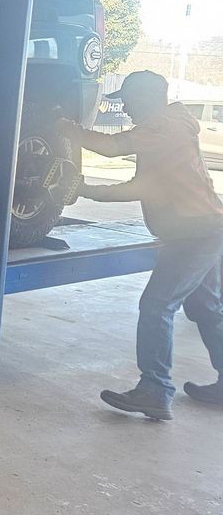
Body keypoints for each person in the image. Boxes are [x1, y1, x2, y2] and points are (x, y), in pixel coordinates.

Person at [58, 70, 223, 420]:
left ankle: (155, 389)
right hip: (204, 230)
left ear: (146, 97)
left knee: (156, 305)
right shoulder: (167, 132)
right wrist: (88, 191)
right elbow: (140, 187)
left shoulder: (163, 127)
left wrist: (69, 130)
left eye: (129, 102)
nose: (127, 110)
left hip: (193, 235)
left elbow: (112, 147)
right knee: (206, 307)